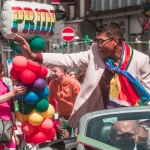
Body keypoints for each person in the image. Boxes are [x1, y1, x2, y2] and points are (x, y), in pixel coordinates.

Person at [14, 21, 150, 129]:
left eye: (101, 41)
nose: (97, 45)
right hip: (102, 118)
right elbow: (68, 59)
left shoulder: (140, 60)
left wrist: (144, 126)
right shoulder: (95, 53)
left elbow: (147, 95)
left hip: (133, 119)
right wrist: (34, 56)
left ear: (115, 41)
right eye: (96, 41)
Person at [48, 67, 81, 138]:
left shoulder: (73, 82)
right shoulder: (52, 84)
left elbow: (82, 99)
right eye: (52, 71)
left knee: (78, 137)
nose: (53, 73)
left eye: (55, 71)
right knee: (64, 139)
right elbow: (48, 99)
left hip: (76, 114)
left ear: (62, 72)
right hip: (63, 115)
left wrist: (78, 117)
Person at [0, 63, 27, 150]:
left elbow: (7, 101)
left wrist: (16, 94)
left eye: (3, 69)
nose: (3, 73)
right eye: (1, 69)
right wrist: (12, 93)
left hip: (7, 127)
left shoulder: (2, 82)